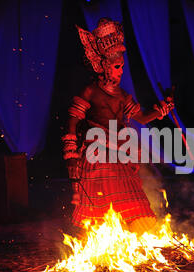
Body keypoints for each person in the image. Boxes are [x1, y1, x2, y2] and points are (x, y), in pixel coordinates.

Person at [63, 18, 174, 235]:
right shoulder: (90, 92)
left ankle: (128, 240)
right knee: (98, 208)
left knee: (133, 201)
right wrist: (71, 153)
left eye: (122, 66)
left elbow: (141, 118)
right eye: (116, 67)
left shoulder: (123, 96)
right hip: (98, 154)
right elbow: (73, 121)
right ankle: (100, 241)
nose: (120, 71)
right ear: (104, 66)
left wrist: (162, 110)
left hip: (120, 154)